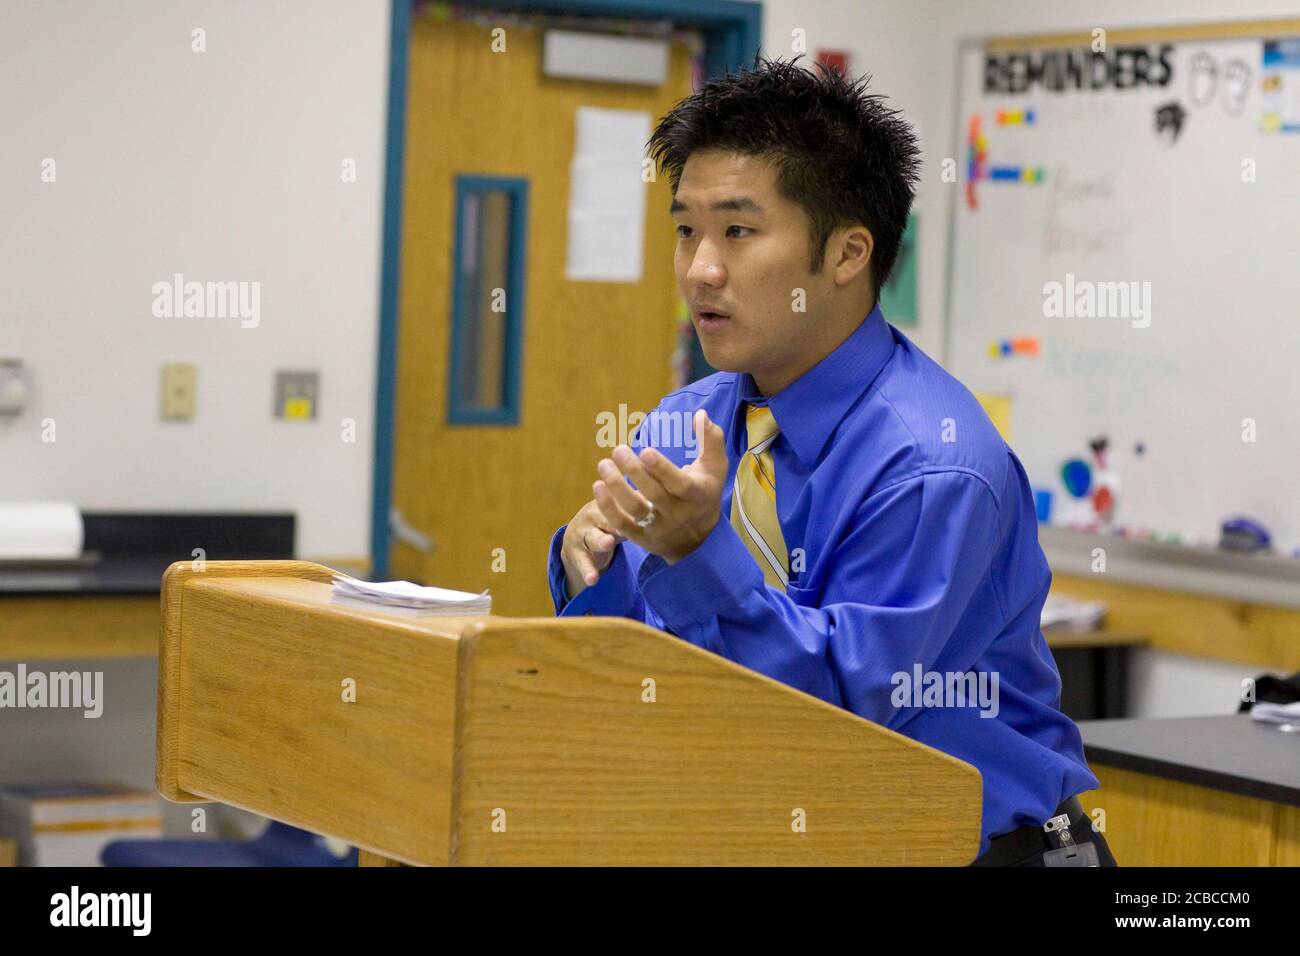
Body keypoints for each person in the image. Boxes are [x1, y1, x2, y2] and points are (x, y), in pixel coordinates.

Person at [546, 55, 1115, 866]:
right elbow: (654, 673)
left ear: (848, 255)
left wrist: (700, 555)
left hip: (976, 851)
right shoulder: (688, 421)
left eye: (737, 232)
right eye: (686, 230)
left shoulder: (933, 466)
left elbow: (840, 716)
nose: (700, 268)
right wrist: (587, 567)